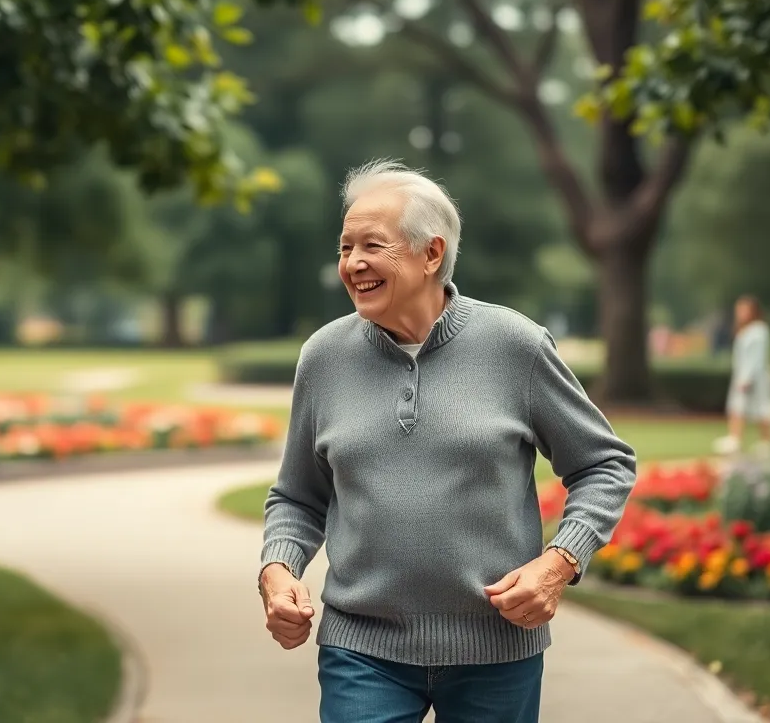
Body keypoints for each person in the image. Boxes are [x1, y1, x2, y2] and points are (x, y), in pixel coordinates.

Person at [257, 159, 637, 723]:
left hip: (497, 647)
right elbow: (297, 497)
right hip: (362, 648)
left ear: (431, 254)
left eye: (372, 246)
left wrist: (560, 562)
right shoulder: (324, 358)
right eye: (344, 248)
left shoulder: (516, 346)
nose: (352, 264)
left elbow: (604, 464)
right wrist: (277, 571)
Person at [713, 295, 770, 455]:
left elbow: (756, 357)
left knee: (761, 408)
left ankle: (767, 442)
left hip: (755, 376)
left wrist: (747, 378)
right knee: (736, 407)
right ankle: (735, 438)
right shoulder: (743, 330)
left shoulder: (759, 331)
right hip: (741, 374)